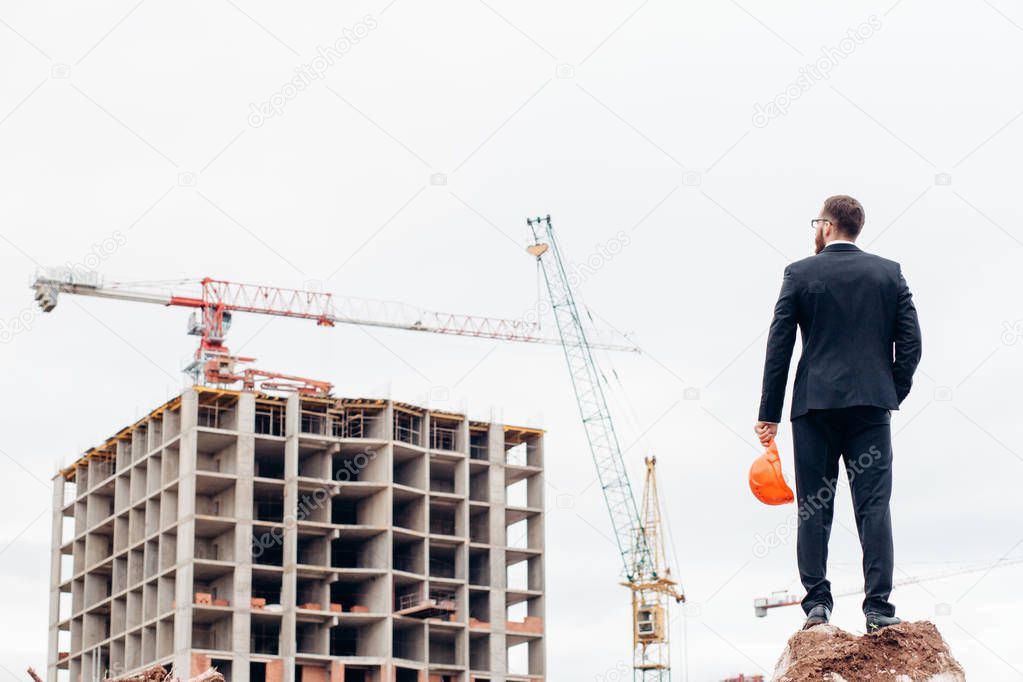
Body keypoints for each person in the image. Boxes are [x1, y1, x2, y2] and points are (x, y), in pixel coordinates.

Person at [754, 195, 922, 633]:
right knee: (874, 506)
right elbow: (911, 345)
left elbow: (780, 347)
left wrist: (768, 413)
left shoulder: (799, 273)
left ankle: (816, 607)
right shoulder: (888, 273)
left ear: (827, 226)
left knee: (814, 507)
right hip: (870, 408)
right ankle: (879, 609)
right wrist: (889, 391)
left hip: (813, 408)